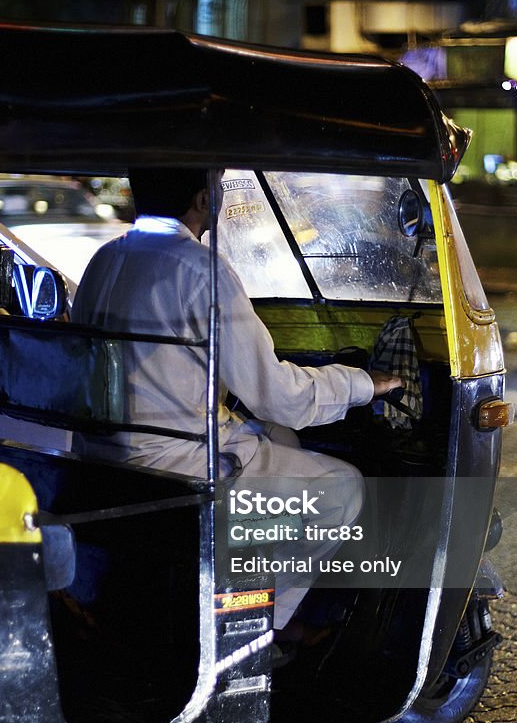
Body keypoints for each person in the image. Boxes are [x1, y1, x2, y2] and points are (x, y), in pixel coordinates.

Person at [71, 167, 403, 631]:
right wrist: (363, 384)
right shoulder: (201, 270)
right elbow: (279, 396)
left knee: (281, 439)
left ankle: (236, 583)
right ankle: (261, 624)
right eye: (221, 184)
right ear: (203, 199)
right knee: (340, 486)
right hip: (176, 466)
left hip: (104, 458)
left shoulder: (105, 259)